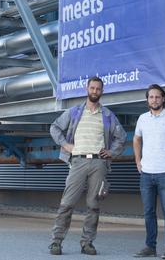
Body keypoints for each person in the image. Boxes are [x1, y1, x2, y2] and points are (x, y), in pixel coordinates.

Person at [48, 76, 127, 256]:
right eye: (92, 88)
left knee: (93, 205)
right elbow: (54, 127)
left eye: (98, 89)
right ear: (87, 89)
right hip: (77, 162)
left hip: (98, 163)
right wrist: (65, 145)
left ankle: (87, 243)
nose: (95, 92)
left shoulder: (107, 115)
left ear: (102, 91)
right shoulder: (75, 112)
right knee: (67, 203)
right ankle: (56, 242)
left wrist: (112, 152)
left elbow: (121, 137)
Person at [132, 84, 165, 259]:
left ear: (163, 99)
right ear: (147, 100)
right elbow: (136, 140)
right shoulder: (142, 118)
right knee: (148, 212)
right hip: (146, 173)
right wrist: (138, 161)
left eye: (157, 97)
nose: (154, 100)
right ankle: (150, 247)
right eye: (151, 97)